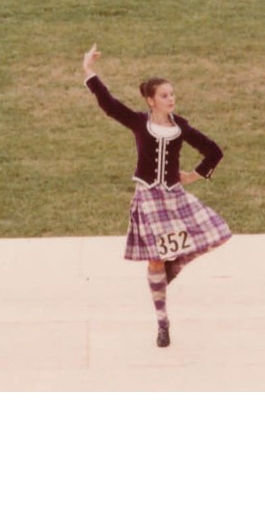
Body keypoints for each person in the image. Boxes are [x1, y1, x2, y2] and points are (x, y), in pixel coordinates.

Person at [82, 43, 232, 347]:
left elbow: (214, 151)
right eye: (164, 96)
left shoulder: (181, 127)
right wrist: (88, 70)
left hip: (175, 196)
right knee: (154, 260)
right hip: (149, 197)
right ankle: (163, 323)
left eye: (172, 94)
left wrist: (194, 175)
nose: (171, 99)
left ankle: (175, 265)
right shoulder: (139, 122)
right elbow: (110, 105)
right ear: (151, 101)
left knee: (217, 234)